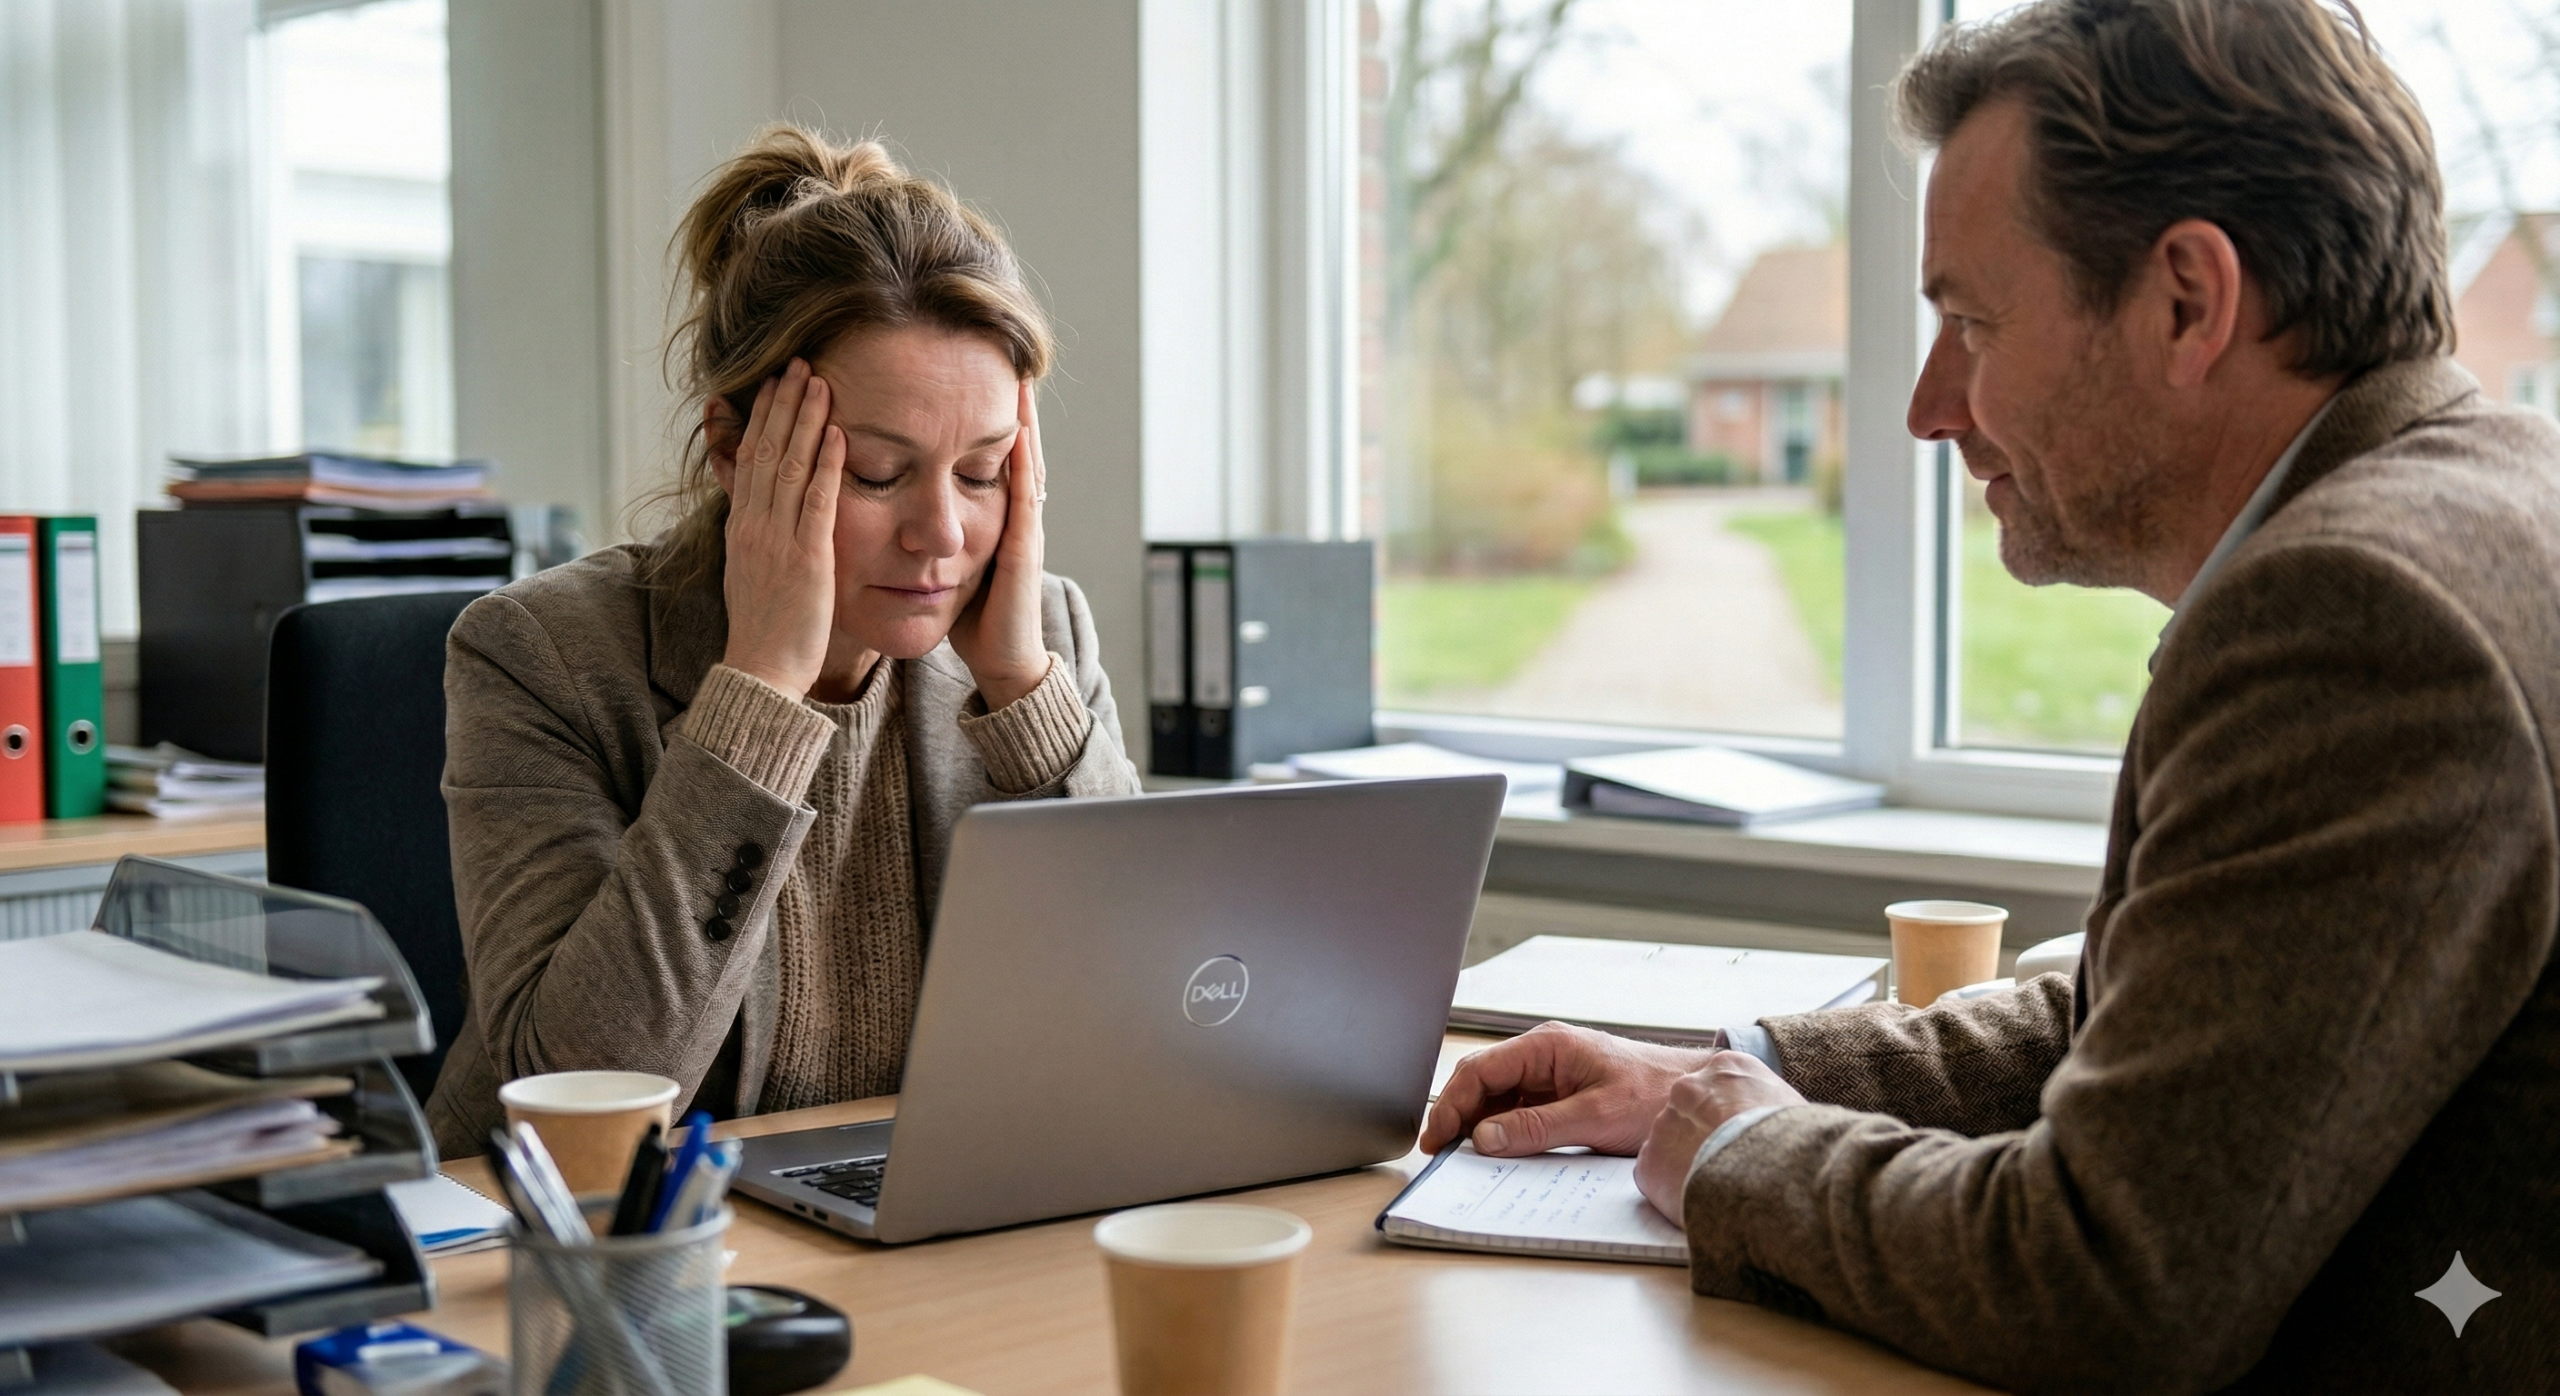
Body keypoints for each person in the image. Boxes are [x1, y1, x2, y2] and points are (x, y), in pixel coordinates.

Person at [1424, 0, 2560, 1389]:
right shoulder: (2488, 495)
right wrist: (1722, 1068)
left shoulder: (2356, 613)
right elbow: (2143, 1021)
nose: (1925, 404)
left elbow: (2108, 1284)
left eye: (1971, 319)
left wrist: (1742, 1146)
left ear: (2188, 302)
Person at [424, 127, 1140, 1158]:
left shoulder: (1040, 640)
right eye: (878, 473)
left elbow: (1148, 1021)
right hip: (598, 1245)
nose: (942, 534)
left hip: (917, 1217)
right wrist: (758, 693)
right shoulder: (538, 656)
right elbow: (580, 1087)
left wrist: (1026, 694)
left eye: (981, 474)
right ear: (732, 447)